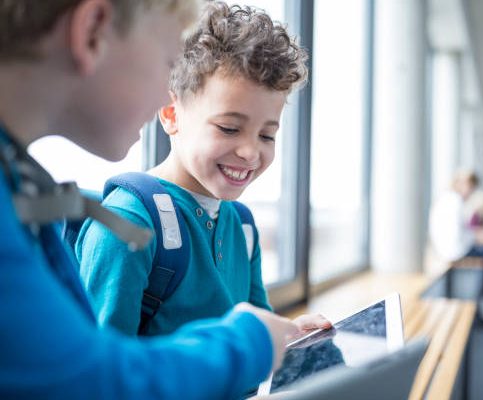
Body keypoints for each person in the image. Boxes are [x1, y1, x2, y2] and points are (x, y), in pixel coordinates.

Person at [0, 1, 301, 398]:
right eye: (166, 59)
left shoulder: (21, 191)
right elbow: (88, 383)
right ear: (93, 30)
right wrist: (251, 343)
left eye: (267, 135)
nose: (167, 90)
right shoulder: (125, 218)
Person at [76, 2, 331, 338]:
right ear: (170, 114)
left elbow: (255, 328)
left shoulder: (242, 227)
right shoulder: (127, 224)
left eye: (267, 134)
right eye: (228, 128)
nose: (251, 151)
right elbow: (102, 374)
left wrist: (290, 335)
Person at [429, 170, 483, 328]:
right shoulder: (455, 201)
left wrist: (476, 237)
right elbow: (457, 237)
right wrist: (478, 237)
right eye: (470, 187)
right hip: (456, 252)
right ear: (460, 183)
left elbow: (459, 231)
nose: (471, 191)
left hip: (451, 249)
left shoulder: (448, 199)